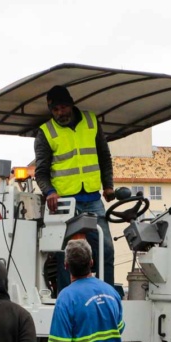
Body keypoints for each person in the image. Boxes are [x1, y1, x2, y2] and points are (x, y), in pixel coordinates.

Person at [34, 84, 116, 289]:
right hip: (64, 202)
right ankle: (65, 295)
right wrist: (50, 192)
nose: (59, 113)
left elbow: (104, 157)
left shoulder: (91, 122)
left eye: (62, 107)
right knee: (66, 253)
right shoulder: (46, 132)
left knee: (105, 249)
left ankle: (107, 293)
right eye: (55, 110)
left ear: (71, 104)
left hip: (93, 199)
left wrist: (108, 185)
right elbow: (41, 172)